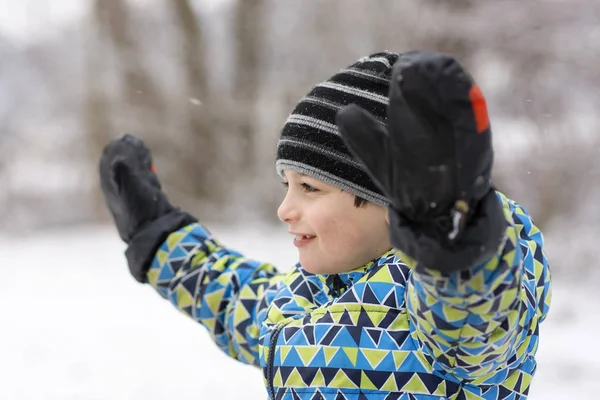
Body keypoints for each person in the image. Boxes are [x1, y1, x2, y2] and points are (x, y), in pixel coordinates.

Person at [99, 50, 552, 399]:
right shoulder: (304, 298)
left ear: (392, 201)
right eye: (286, 185)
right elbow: (234, 296)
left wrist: (459, 256)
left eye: (310, 188)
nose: (284, 209)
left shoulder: (445, 312)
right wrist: (160, 237)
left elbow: (478, 319)